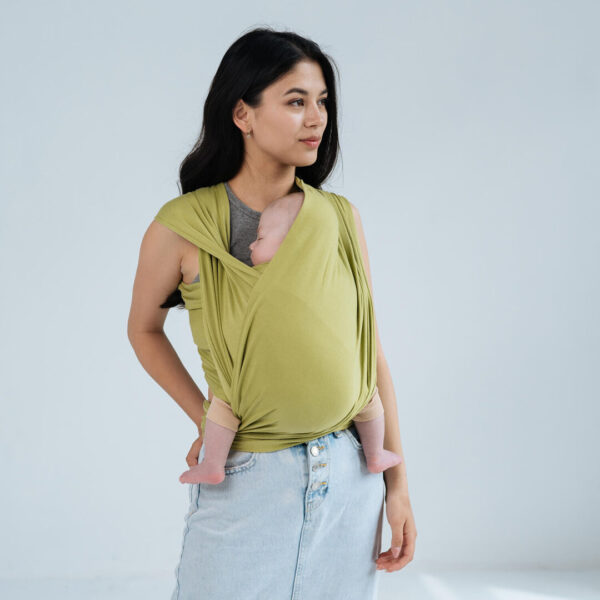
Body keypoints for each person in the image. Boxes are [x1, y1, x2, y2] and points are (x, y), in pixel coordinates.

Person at [127, 27, 416, 600]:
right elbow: (143, 330)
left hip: (350, 475)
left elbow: (369, 352)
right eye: (296, 101)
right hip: (248, 476)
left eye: (323, 101)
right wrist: (205, 417)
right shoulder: (183, 226)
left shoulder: (339, 217)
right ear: (243, 114)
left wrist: (398, 486)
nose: (317, 118)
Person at [178, 191, 403, 485]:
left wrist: (399, 489)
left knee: (366, 393)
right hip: (261, 410)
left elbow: (368, 345)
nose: (250, 245)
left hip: (338, 447)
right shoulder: (245, 280)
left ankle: (375, 453)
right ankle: (214, 463)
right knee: (366, 398)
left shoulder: (324, 271)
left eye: (260, 238)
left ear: (294, 246)